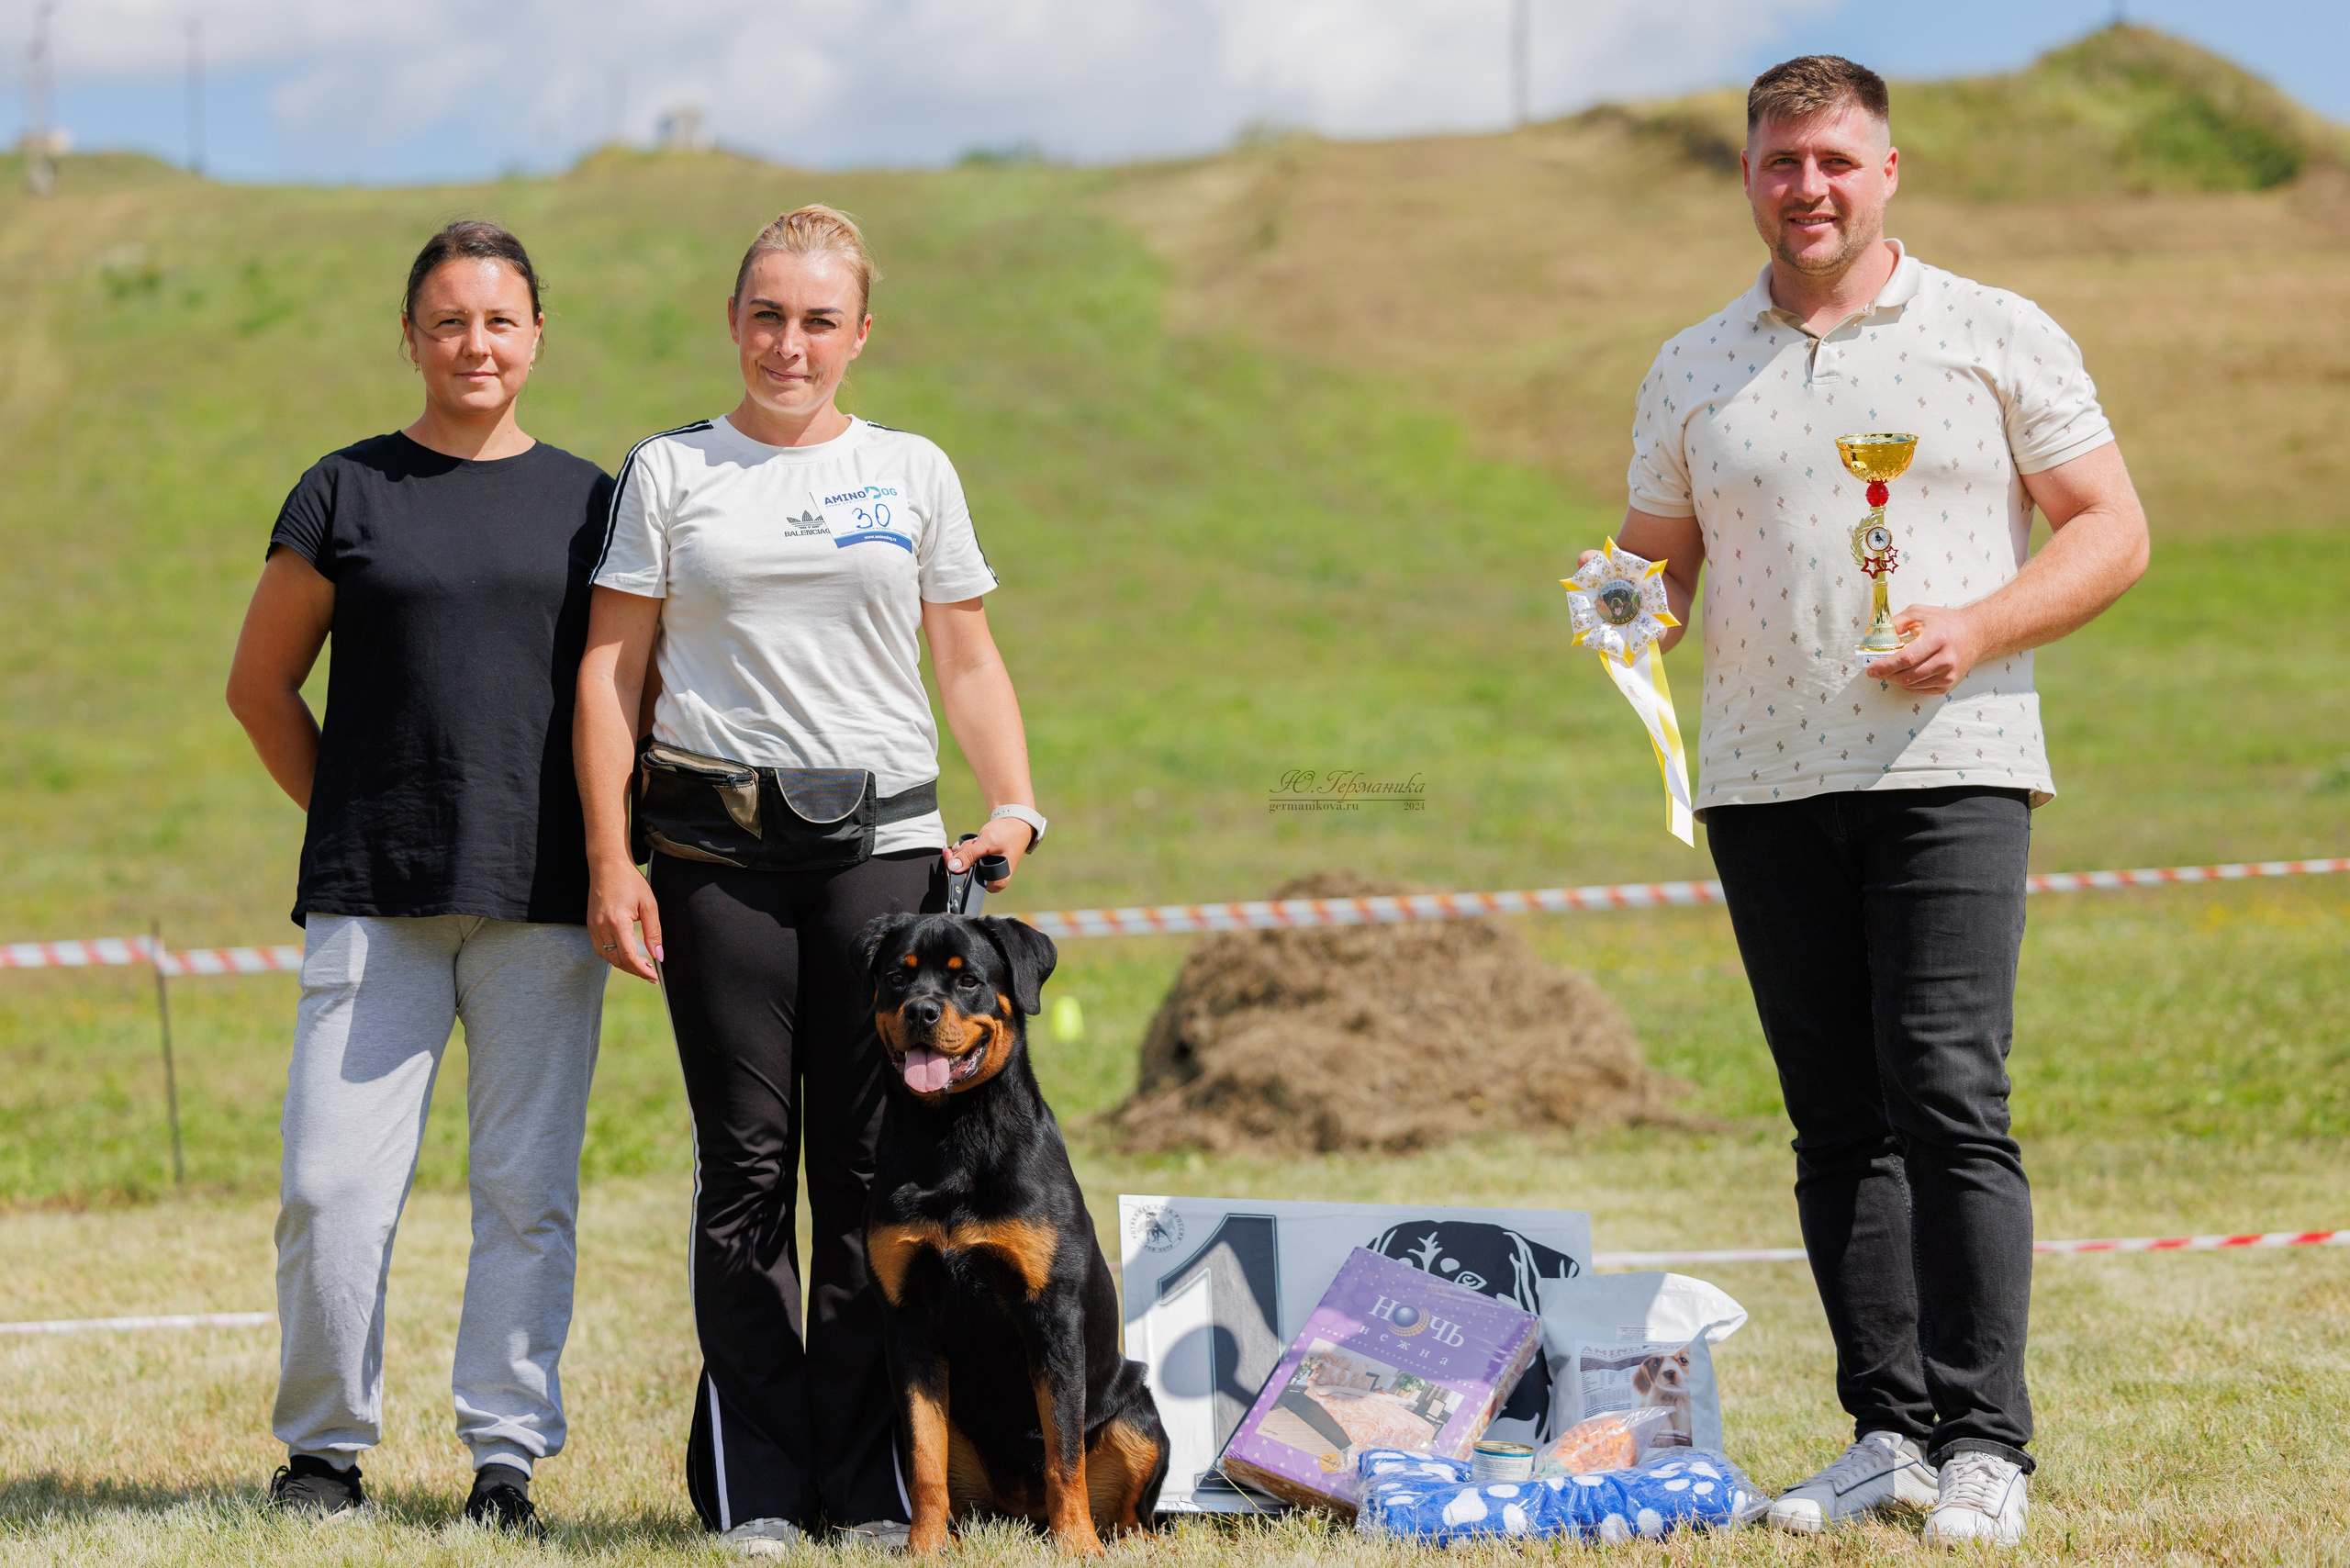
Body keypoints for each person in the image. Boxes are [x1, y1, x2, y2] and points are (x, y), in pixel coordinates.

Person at [1602, 56, 2148, 1549]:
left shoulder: (1994, 331)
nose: (1810, 187)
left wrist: (1978, 626)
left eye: (1836, 160)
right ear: (1751, 176)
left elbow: (2115, 526)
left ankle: (1986, 1445)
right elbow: (1655, 567)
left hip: (1951, 771)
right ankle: (1884, 1434)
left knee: (1949, 1096)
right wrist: (1625, 608)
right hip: (1764, 784)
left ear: (1887, 170)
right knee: (1835, 1122)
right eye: (1783, 161)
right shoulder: (1693, 364)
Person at [574, 204, 1046, 1556]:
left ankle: (867, 1482)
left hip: (881, 862)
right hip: (713, 861)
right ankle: (759, 1487)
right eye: (767, 315)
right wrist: (614, 856)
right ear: (734, 322)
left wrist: (1012, 802)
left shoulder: (913, 469)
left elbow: (965, 658)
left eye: (819, 319)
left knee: (865, 1180)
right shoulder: (668, 472)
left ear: (861, 335)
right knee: (743, 1174)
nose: (791, 343)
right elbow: (610, 676)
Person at [225, 221, 612, 1538]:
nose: (476, 345)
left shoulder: (594, 502)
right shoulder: (344, 491)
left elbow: (631, 695)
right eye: (449, 321)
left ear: (538, 335)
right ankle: (322, 1454)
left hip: (544, 905)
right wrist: (356, 813)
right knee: (331, 1190)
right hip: (370, 904)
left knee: (525, 1192)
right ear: (410, 337)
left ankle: (504, 1463)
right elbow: (259, 687)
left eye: (500, 321)